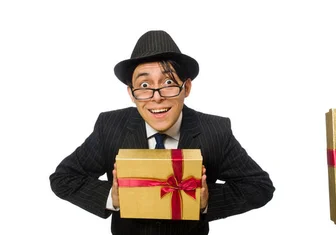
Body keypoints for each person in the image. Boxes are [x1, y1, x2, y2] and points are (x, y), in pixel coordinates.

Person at [49, 30, 275, 235]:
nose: (157, 96)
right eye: (145, 86)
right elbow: (63, 179)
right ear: (131, 93)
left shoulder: (215, 131)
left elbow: (260, 187)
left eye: (168, 82)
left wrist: (205, 201)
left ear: (186, 88)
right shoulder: (110, 127)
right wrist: (113, 197)